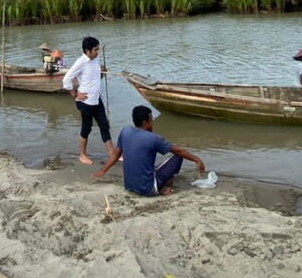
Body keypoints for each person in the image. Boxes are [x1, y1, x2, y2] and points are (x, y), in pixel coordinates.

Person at [93, 105, 206, 196]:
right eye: (151, 120)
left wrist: (103, 170)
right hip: (148, 189)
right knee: (177, 156)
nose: (152, 123)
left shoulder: (125, 131)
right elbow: (178, 151)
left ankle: (157, 184)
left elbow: (116, 154)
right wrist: (197, 159)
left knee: (153, 165)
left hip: (129, 185)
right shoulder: (153, 138)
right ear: (144, 122)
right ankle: (162, 187)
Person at [62, 36, 114, 165]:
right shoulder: (81, 62)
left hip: (96, 99)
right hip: (85, 102)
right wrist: (75, 95)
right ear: (87, 51)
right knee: (87, 128)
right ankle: (82, 155)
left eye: (98, 49)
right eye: (95, 50)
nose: (98, 52)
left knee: (104, 126)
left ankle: (113, 155)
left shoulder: (95, 59)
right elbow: (66, 80)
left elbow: (93, 78)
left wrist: (101, 72)